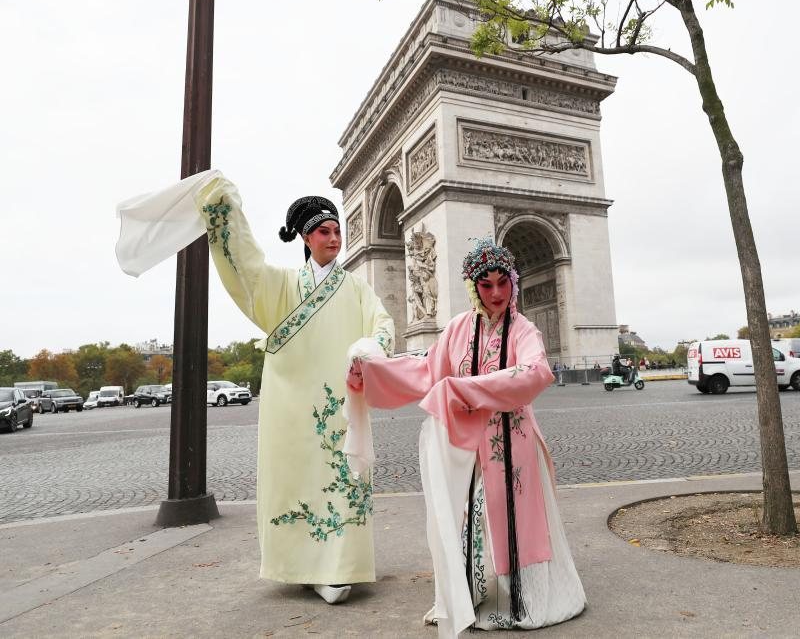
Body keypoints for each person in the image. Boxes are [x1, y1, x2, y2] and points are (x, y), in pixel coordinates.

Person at [115, 170, 394, 605]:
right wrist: (225, 211)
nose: (334, 238)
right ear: (306, 237)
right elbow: (247, 268)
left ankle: (339, 567)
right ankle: (304, 567)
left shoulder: (357, 287)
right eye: (324, 231)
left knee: (341, 479)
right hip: (291, 406)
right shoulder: (282, 285)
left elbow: (382, 323)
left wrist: (369, 348)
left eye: (337, 231)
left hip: (340, 402)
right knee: (297, 481)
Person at [347, 238, 586, 637]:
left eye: (503, 283)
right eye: (485, 285)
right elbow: (426, 371)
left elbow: (536, 372)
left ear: (514, 282)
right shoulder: (458, 328)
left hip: (513, 445)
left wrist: (465, 389)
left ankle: (521, 597)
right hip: (466, 447)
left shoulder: (524, 330)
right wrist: (372, 371)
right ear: (473, 287)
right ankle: (469, 595)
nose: (496, 294)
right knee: (469, 518)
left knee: (513, 520)